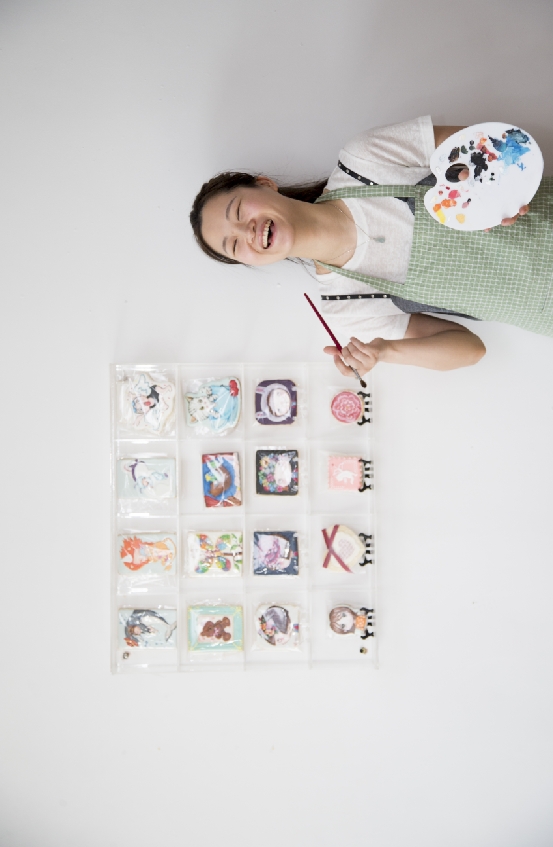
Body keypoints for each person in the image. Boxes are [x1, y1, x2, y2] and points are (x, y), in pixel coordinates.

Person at [190, 116, 552, 376]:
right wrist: (384, 351)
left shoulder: (365, 161)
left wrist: (499, 190)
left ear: (265, 185)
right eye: (234, 245)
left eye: (239, 211)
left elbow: (496, 147)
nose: (247, 231)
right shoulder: (345, 307)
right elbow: (470, 349)